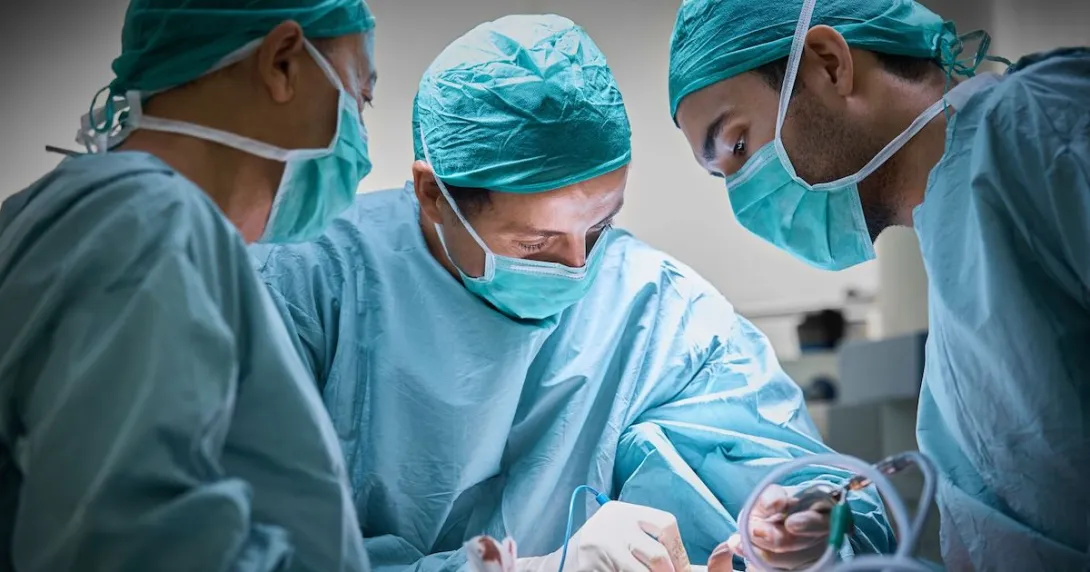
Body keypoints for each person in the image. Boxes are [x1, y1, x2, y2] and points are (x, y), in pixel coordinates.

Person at [253, 14, 895, 571]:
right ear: (431, 195)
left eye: (600, 227)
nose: (577, 268)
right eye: (535, 246)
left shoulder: (661, 312)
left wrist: (805, 528)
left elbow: (808, 490)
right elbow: (240, 544)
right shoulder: (306, 287)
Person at [668, 0, 1090, 568]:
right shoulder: (956, 234)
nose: (744, 201)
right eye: (725, 176)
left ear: (827, 64)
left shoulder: (1043, 129)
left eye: (739, 147)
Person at [0, 1, 378, 570]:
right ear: (282, 63)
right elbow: (133, 546)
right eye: (360, 97)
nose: (361, 139)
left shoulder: (72, 212)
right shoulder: (150, 225)